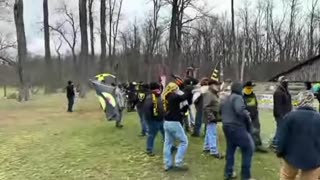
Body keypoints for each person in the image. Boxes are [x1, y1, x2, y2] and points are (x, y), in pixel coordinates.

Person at [276, 91, 320, 180]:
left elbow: (282, 137)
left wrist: (279, 151)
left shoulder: (290, 116)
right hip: (313, 158)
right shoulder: (318, 118)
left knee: (286, 177)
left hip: (291, 156)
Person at [221, 82, 255, 180]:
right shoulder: (237, 97)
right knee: (248, 148)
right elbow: (240, 110)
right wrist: (247, 115)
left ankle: (229, 172)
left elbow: (220, 110)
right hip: (237, 126)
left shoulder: (226, 98)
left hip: (226, 125)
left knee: (230, 149)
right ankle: (246, 176)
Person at [162, 82, 193, 171]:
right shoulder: (173, 97)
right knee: (184, 141)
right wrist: (189, 89)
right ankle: (178, 162)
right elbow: (183, 97)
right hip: (174, 122)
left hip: (167, 122)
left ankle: (167, 164)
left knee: (167, 144)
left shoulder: (165, 96)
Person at [243, 81, 268, 153]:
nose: (251, 89)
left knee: (256, 130)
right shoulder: (242, 96)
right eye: (250, 87)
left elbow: (255, 105)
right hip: (247, 117)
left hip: (255, 116)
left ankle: (257, 145)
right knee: (247, 131)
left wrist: (255, 112)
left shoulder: (253, 95)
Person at [202, 79, 224, 159]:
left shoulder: (213, 94)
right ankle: (213, 151)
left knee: (209, 132)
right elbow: (206, 106)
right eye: (216, 85)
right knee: (212, 133)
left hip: (213, 115)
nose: (218, 86)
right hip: (211, 116)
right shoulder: (209, 94)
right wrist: (211, 116)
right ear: (211, 85)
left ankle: (206, 147)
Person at [271, 76, 292, 150]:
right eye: (284, 81)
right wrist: (280, 115)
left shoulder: (285, 91)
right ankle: (275, 143)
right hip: (281, 114)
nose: (286, 83)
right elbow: (277, 105)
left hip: (287, 113)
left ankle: (276, 142)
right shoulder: (278, 92)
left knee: (282, 129)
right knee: (280, 129)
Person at [144, 82, 164, 156]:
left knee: (166, 134)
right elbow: (147, 110)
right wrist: (150, 119)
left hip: (161, 119)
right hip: (154, 120)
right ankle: (149, 149)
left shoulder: (158, 95)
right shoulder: (150, 97)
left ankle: (170, 146)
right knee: (152, 135)